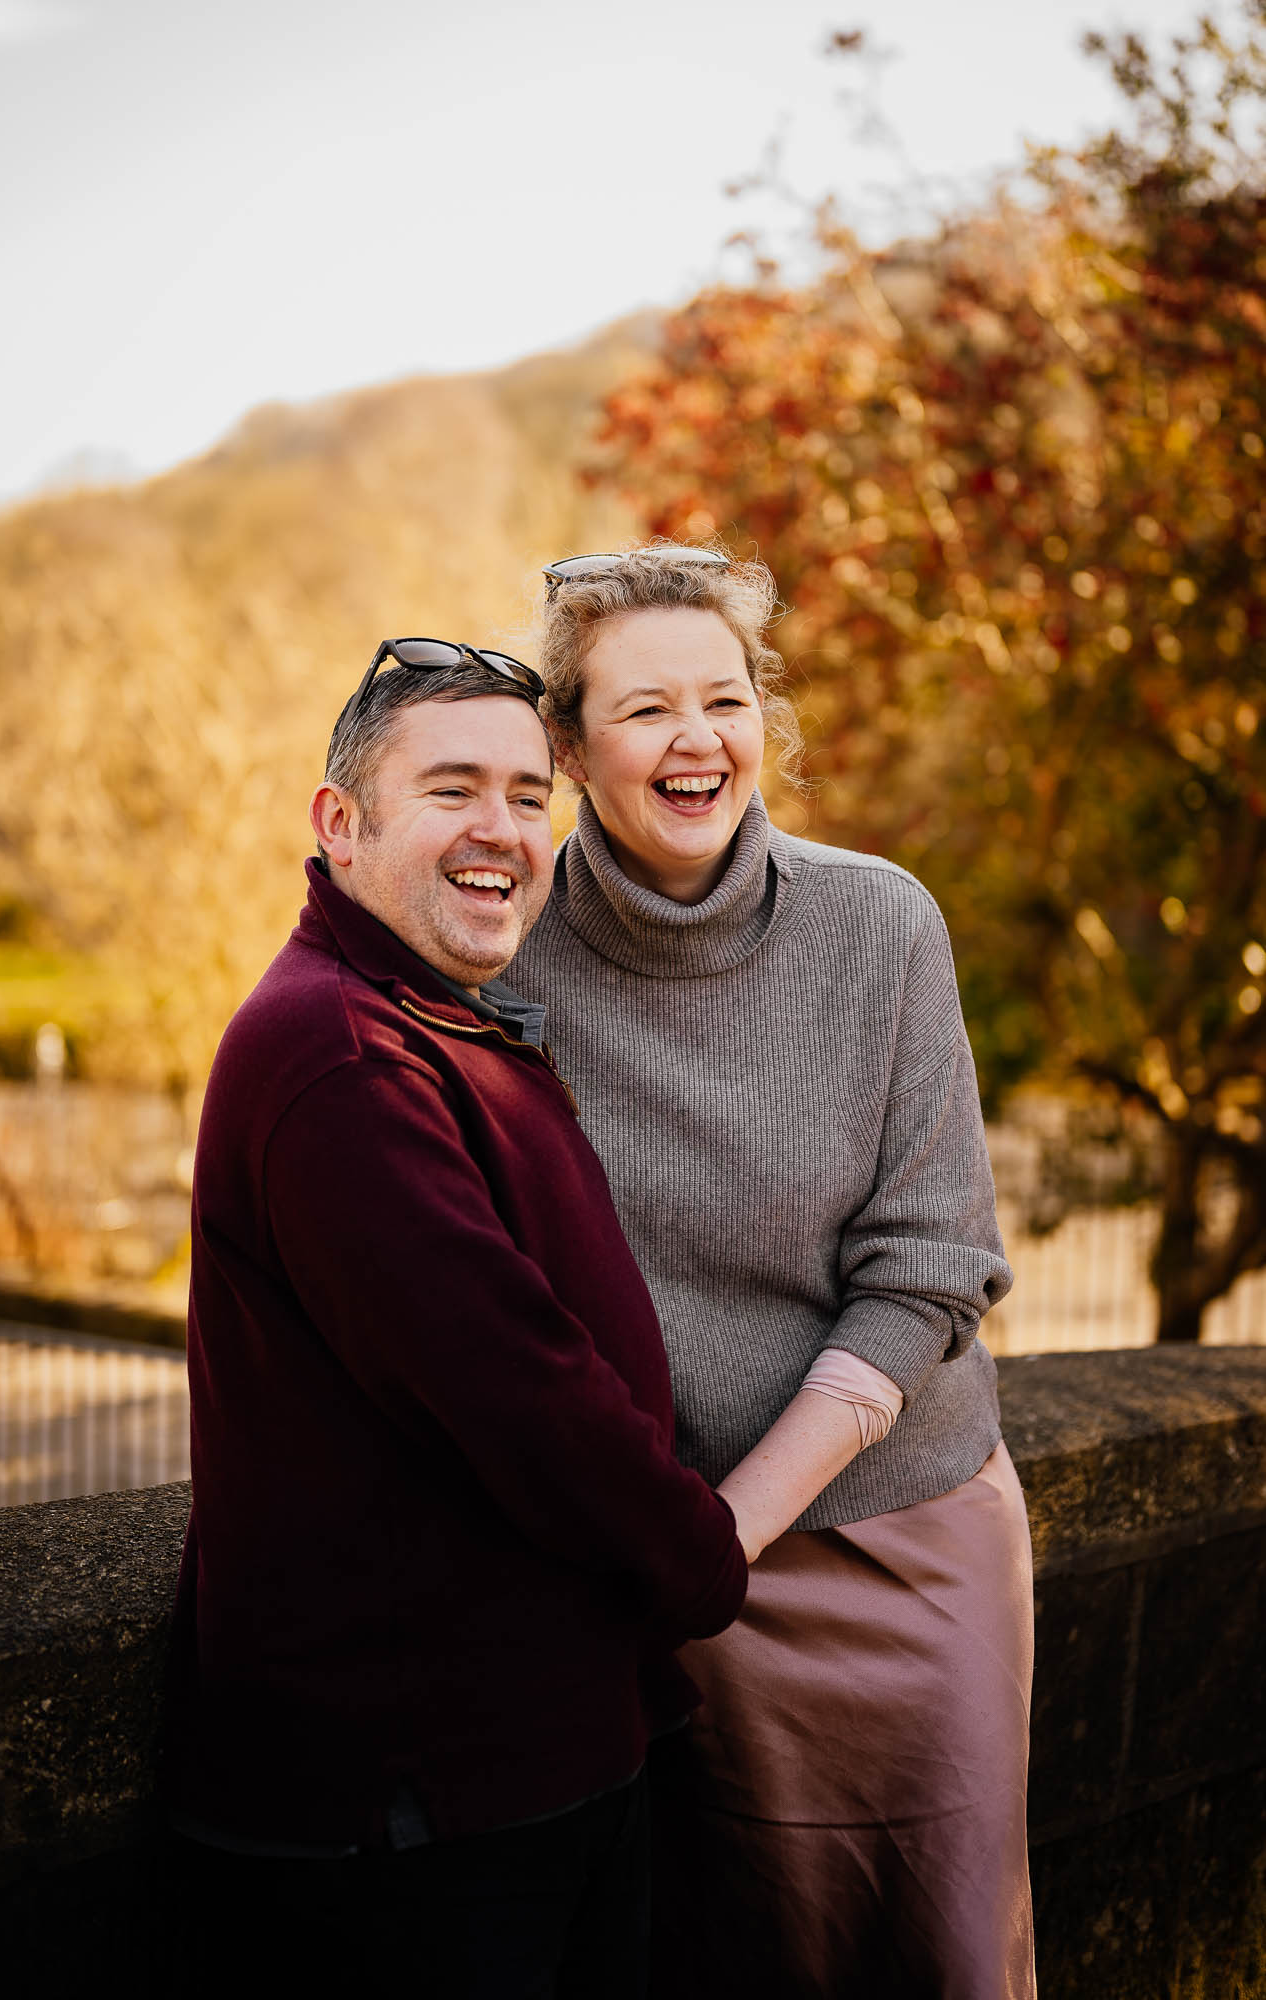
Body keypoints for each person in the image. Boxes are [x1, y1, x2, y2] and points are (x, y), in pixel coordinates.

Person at [163, 637, 748, 1999]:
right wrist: (699, 1560)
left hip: (525, 1764)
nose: (503, 830)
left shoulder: (432, 1018)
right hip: (415, 1813)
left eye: (527, 794)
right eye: (452, 791)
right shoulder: (342, 1054)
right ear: (340, 824)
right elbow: (518, 1389)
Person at [507, 549, 1037, 2000]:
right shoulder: (502, 962)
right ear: (565, 744)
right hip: (665, 1576)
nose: (698, 740)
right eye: (647, 708)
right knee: (734, 1947)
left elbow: (930, 1267)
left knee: (939, 1952)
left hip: (899, 1538)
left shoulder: (879, 923)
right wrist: (673, 1552)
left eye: (724, 700)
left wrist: (726, 1532)